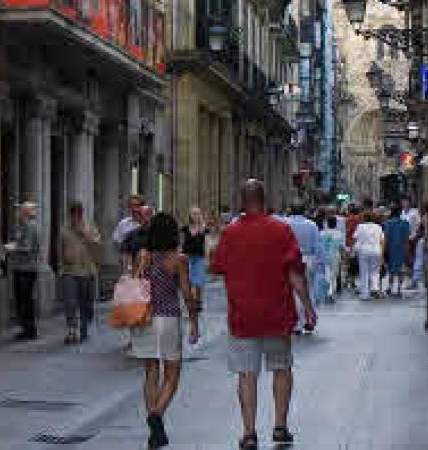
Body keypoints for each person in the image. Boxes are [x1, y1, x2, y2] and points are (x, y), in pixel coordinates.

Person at [209, 179, 317, 450]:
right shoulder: (281, 230)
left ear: (242, 201)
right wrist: (308, 307)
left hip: (243, 316)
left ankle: (249, 433)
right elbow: (294, 274)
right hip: (277, 313)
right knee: (281, 368)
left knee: (247, 374)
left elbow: (217, 267)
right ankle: (280, 426)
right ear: (265, 200)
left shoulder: (230, 233)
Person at [131, 212, 199, 449]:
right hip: (169, 319)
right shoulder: (178, 260)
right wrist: (194, 323)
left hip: (145, 319)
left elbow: (135, 284)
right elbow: (187, 294)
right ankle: (157, 415)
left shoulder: (143, 256)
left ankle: (154, 427)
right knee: (172, 373)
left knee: (151, 371)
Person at [58, 202, 101, 344]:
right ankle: (72, 330)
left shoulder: (90, 228)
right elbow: (60, 249)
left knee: (86, 303)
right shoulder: (64, 230)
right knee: (70, 302)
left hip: (87, 272)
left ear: (81, 214)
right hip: (69, 271)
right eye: (73, 214)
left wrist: (84, 234)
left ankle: (84, 326)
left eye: (78, 214)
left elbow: (97, 246)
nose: (75, 217)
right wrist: (61, 266)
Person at [5, 201, 43, 340]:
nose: (17, 213)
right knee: (23, 299)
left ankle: (30, 329)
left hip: (26, 268)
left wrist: (12, 248)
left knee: (25, 300)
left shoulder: (30, 226)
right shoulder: (24, 226)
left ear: (26, 213)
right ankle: (27, 328)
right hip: (22, 267)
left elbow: (28, 248)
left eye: (20, 210)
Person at [284, 205, 322, 327]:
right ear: (304, 211)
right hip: (309, 258)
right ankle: (309, 319)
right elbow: (317, 246)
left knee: (294, 291)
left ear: (291, 210)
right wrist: (319, 263)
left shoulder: (285, 223)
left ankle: (298, 322)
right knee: (309, 289)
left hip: (291, 258)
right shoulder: (312, 225)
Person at [351, 212, 385, 301]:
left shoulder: (360, 227)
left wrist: (352, 251)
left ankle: (365, 294)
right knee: (375, 271)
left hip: (364, 251)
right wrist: (382, 253)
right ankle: (375, 288)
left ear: (364, 218)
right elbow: (382, 241)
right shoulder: (378, 227)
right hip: (376, 250)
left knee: (364, 272)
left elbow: (354, 238)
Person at [182, 208, 208, 311]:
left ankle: (199, 301)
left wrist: (207, 258)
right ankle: (191, 301)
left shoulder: (203, 228)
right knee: (189, 280)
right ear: (190, 215)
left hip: (199, 257)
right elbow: (181, 243)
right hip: (187, 257)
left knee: (199, 280)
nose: (196, 215)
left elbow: (206, 244)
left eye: (197, 213)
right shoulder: (185, 228)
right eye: (194, 213)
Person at [112, 195, 147, 273]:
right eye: (131, 205)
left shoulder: (148, 224)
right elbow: (117, 241)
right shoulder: (123, 223)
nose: (134, 209)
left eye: (137, 205)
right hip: (128, 264)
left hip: (145, 264)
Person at [382, 206, 411, 297]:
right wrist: (407, 251)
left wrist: (383, 250)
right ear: (399, 214)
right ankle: (399, 288)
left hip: (391, 249)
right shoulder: (405, 224)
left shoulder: (388, 224)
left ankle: (390, 287)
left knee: (391, 270)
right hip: (402, 249)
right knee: (401, 269)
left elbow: (385, 238)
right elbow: (407, 239)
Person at [318, 216, 344, 302]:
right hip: (335, 256)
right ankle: (330, 292)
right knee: (333, 275)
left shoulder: (321, 233)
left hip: (324, 256)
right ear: (336, 224)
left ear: (327, 223)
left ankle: (326, 292)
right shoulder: (339, 234)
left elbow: (318, 246)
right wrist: (344, 256)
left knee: (326, 273)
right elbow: (341, 247)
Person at [413, 203, 428, 288]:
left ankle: (415, 281)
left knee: (419, 261)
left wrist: (425, 239)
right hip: (427, 241)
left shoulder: (424, 218)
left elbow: (424, 231)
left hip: (423, 240)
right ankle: (426, 280)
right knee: (426, 261)